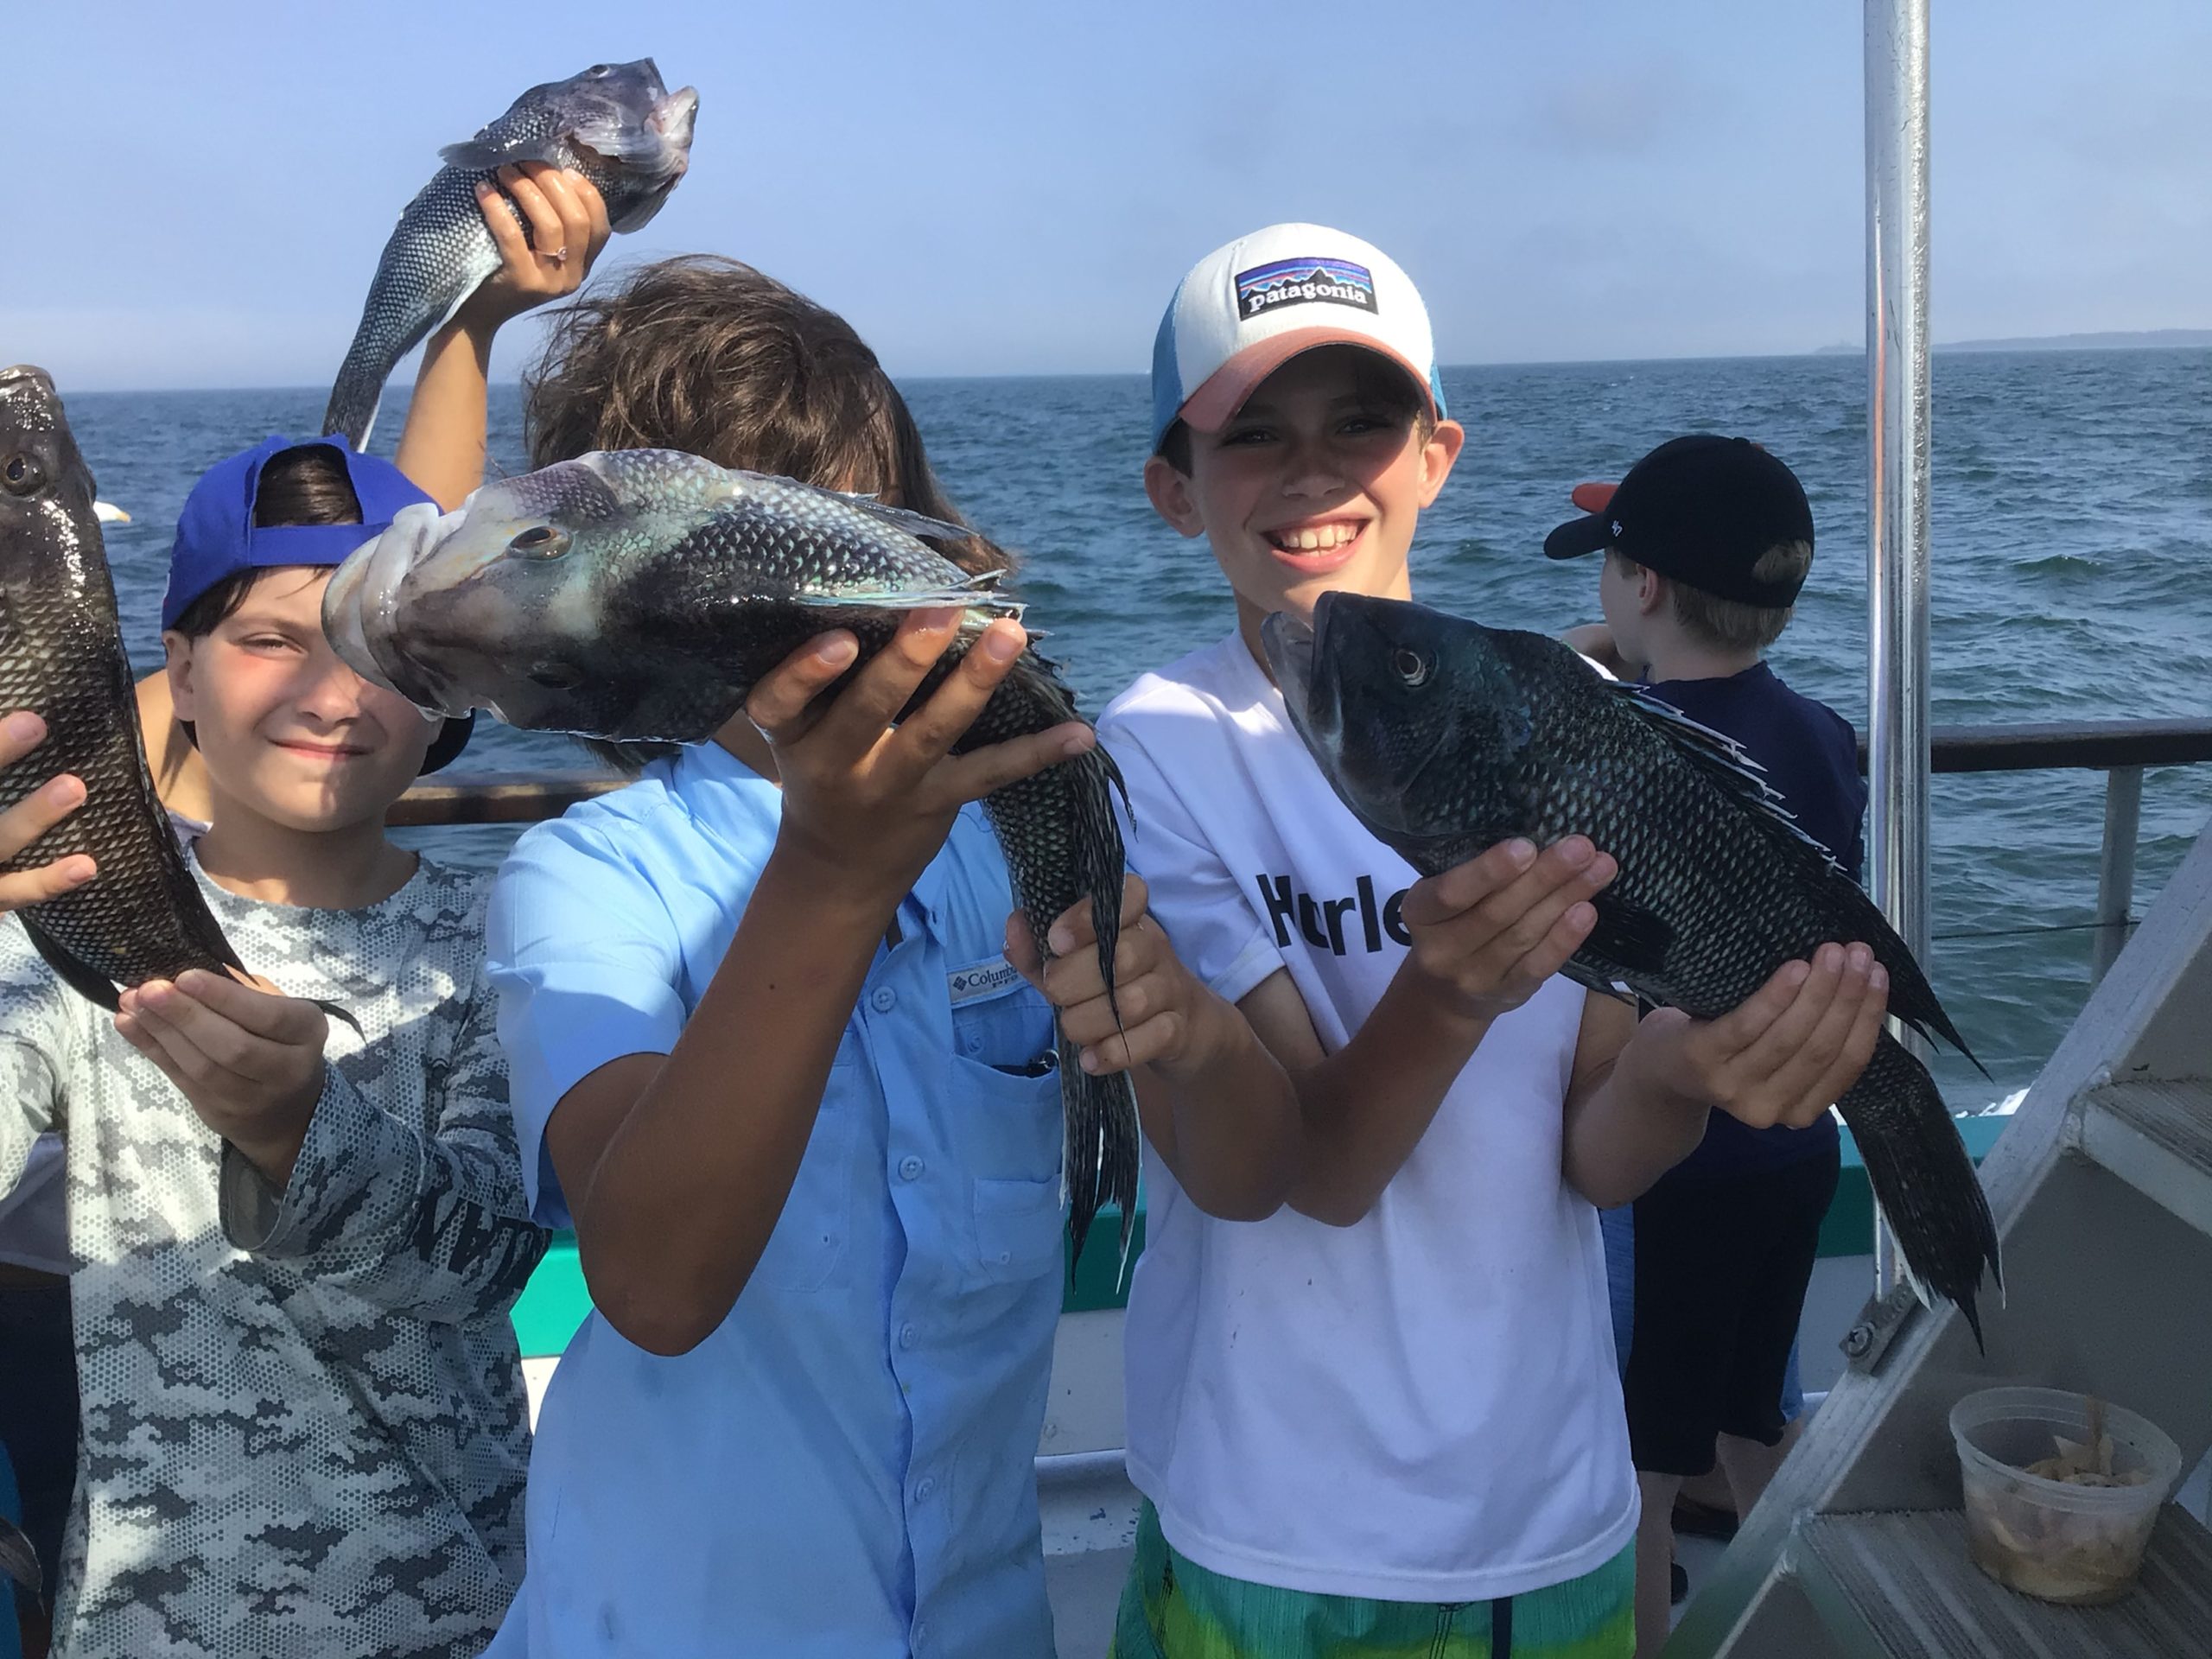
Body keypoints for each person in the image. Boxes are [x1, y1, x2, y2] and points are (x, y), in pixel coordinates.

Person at [1017, 223, 1891, 1658]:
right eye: (1253, 434)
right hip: (1273, 1523)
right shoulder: (1160, 747)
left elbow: (1590, 1154)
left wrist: (1686, 1071)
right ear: (1174, 489)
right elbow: (1314, 1171)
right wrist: (1447, 994)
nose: (1313, 472)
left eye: (1363, 421)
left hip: (1553, 1503)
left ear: (1437, 452)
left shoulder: (1555, 714)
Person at [0, 161, 608, 1659]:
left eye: (375, 647)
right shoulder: (61, 925)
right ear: (178, 674)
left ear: (448, 695)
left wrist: (297, 1131)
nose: (332, 691)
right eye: (269, 638)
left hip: (463, 1620)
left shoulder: (498, 940)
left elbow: (484, 1262)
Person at [458, 256, 1096, 1656]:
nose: (809, 604)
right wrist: (830, 873)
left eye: (841, 539)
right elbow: (655, 1281)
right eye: (730, 558)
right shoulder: (584, 882)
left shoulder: (1014, 848)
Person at [1546, 435, 1862, 1655]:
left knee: (1639, 1482)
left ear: (1642, 590)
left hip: (1674, 1173)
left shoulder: (1628, 764)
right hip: (1792, 1151)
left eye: (1609, 564)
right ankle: (1814, 1622)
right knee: (1749, 1423)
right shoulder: (1823, 734)